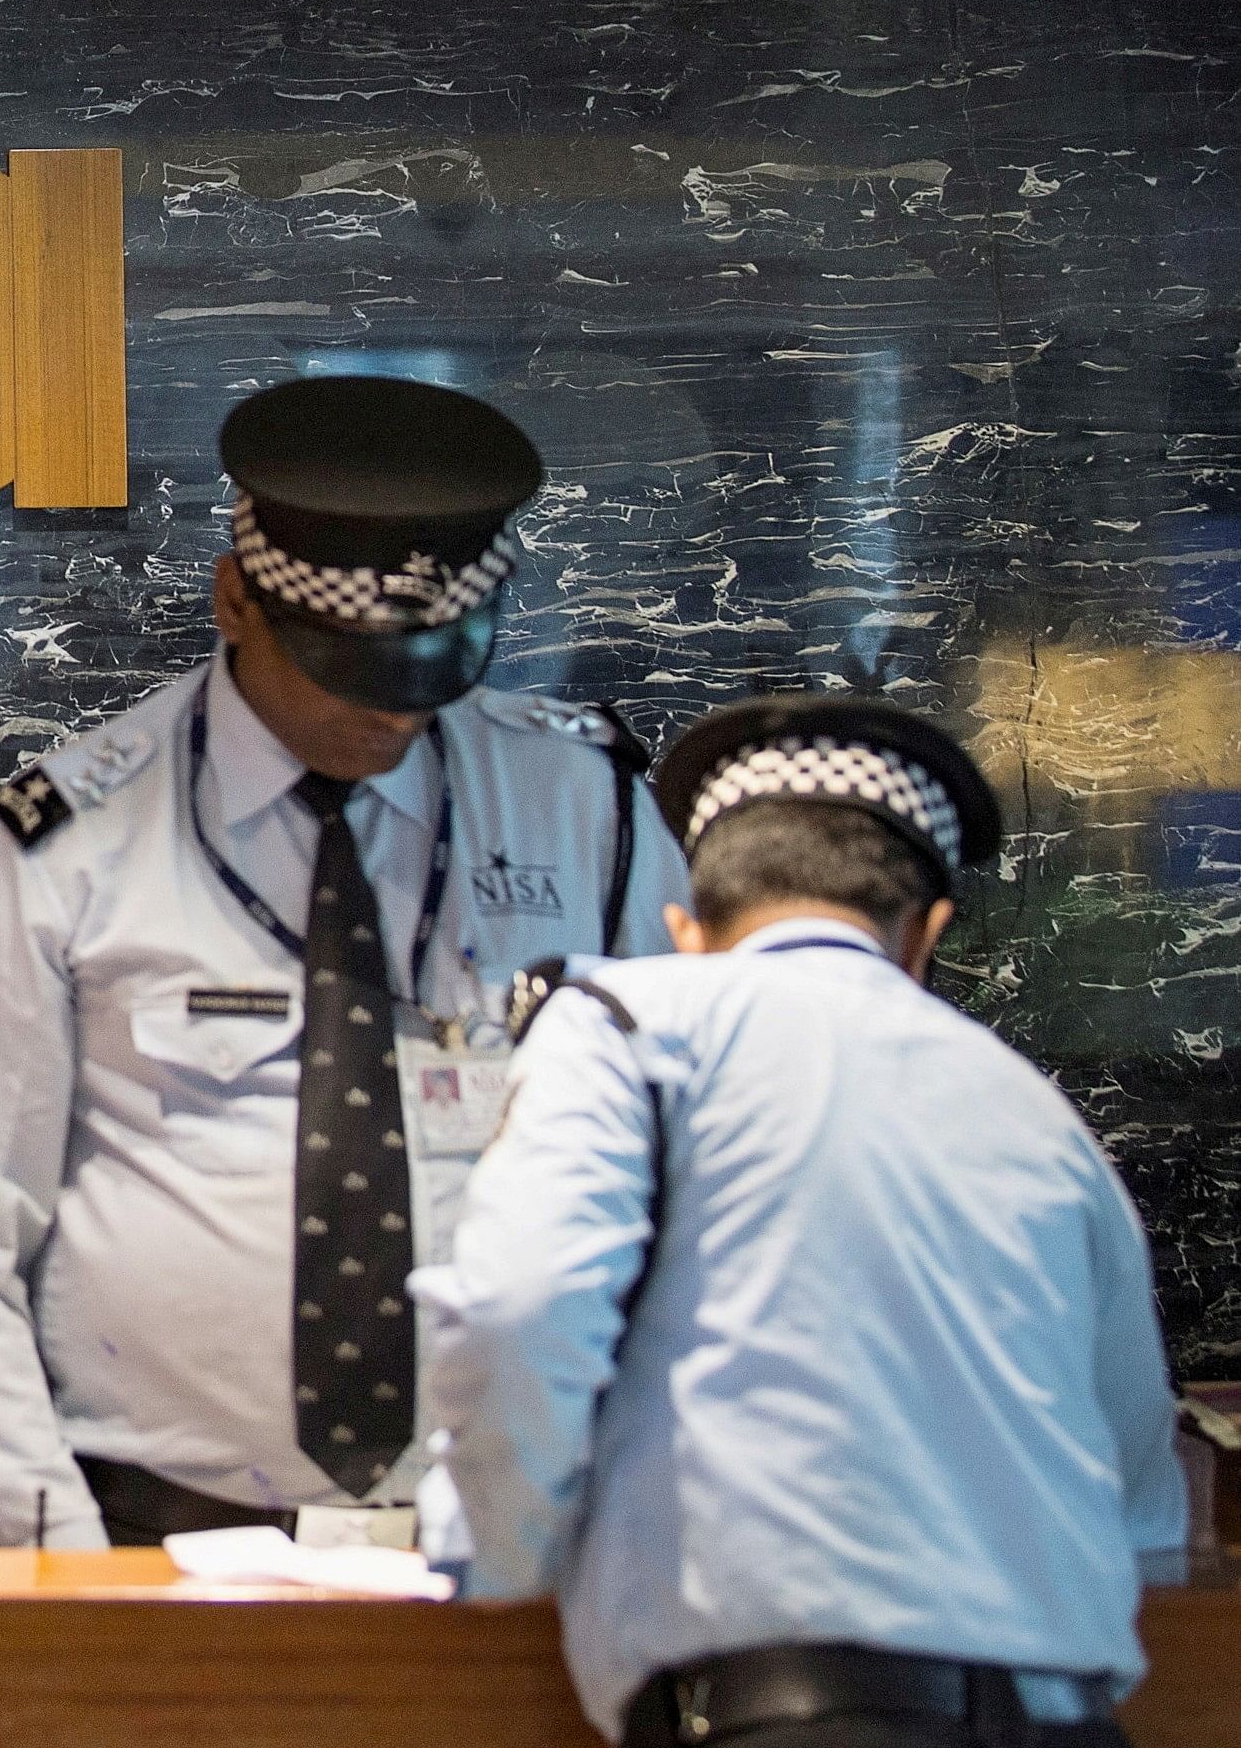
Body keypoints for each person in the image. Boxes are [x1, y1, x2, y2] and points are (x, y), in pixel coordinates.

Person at [0, 374, 687, 1549]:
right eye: (345, 673)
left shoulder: (589, 813)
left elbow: (685, 1171)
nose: (388, 720)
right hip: (162, 1529)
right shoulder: (58, 851)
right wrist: (48, 1564)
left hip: (528, 1530)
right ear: (234, 601)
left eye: (427, 676)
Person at [416, 695, 1187, 1748]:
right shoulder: (1034, 1112)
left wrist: (495, 1560)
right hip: (1067, 1716)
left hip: (791, 1712)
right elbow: (1136, 1489)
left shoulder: (632, 1021)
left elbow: (520, 1306)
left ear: (685, 929)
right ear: (924, 935)